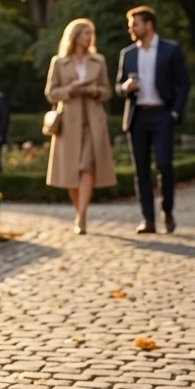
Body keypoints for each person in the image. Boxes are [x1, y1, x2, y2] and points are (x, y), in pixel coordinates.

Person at [116, 4, 190, 233]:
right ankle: (147, 219)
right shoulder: (128, 54)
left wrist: (175, 111)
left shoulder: (170, 50)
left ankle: (167, 211)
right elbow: (118, 87)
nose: (131, 28)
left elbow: (184, 83)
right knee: (141, 170)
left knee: (165, 166)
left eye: (135, 24)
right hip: (137, 116)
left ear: (148, 25)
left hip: (162, 115)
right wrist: (125, 87)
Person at [44, 18, 117, 233]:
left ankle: (82, 216)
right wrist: (69, 90)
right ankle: (79, 211)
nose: (89, 37)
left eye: (91, 33)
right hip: (68, 122)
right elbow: (50, 93)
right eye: (85, 32)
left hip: (92, 121)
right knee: (71, 172)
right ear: (75, 35)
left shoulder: (98, 61)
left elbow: (107, 91)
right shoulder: (59, 62)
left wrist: (94, 90)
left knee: (87, 167)